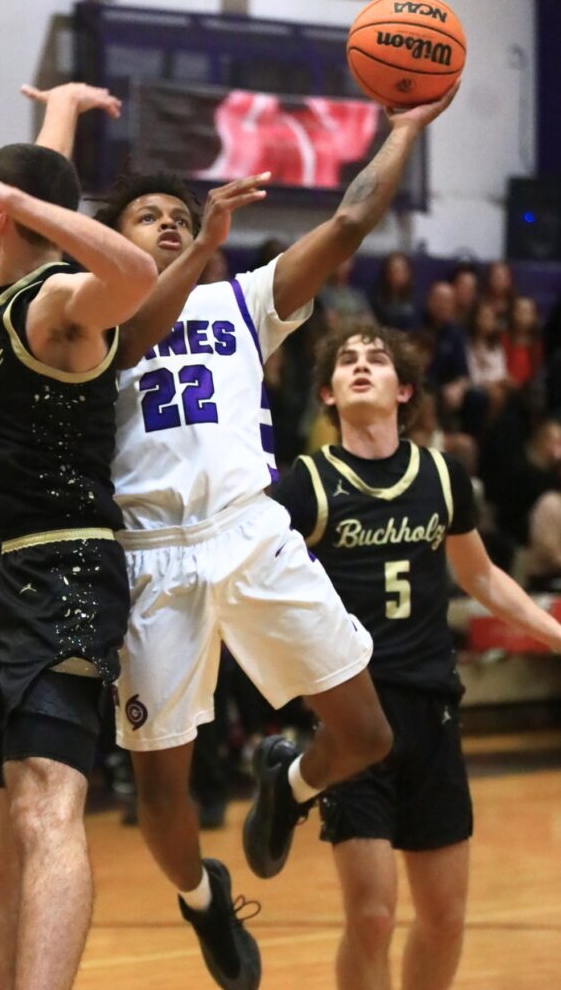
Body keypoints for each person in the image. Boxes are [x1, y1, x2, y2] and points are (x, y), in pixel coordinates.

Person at [29, 80, 458, 990]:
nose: (172, 224)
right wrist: (196, 254)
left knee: (368, 737)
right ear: (114, 241)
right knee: (158, 798)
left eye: (180, 215)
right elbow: (141, 325)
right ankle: (201, 901)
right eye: (147, 217)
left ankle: (289, 783)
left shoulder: (241, 302)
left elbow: (346, 223)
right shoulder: (86, 322)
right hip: (149, 561)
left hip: (249, 531)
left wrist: (405, 131)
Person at [0, 142, 157, 990]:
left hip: (64, 574)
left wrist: (2, 189)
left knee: (48, 801)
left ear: (1, 213)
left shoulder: (60, 299)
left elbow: (131, 271)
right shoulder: (3, 289)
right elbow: (45, 170)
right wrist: (63, 109)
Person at [270, 320, 561, 990]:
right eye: (346, 362)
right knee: (371, 916)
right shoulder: (308, 482)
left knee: (444, 919)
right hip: (354, 722)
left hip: (432, 717)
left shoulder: (440, 475)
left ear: (405, 391)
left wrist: (552, 632)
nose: (361, 366)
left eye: (376, 359)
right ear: (328, 393)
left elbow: (481, 578)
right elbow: (253, 582)